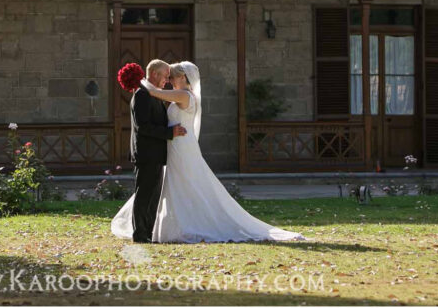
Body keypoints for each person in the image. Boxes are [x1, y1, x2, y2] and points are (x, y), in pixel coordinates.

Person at [112, 61, 308, 243]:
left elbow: (155, 93)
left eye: (171, 76)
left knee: (180, 187)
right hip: (168, 149)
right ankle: (150, 230)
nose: (168, 80)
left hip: (180, 147)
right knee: (160, 190)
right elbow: (149, 115)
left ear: (182, 78)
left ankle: (171, 227)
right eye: (166, 76)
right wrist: (141, 84)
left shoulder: (182, 95)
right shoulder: (156, 94)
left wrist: (139, 81)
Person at [126, 59, 187, 243]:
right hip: (147, 154)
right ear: (154, 74)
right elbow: (143, 126)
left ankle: (148, 232)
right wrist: (170, 132)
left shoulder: (153, 94)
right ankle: (140, 234)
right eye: (165, 76)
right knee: (145, 194)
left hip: (156, 154)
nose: (167, 81)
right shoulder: (142, 94)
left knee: (154, 196)